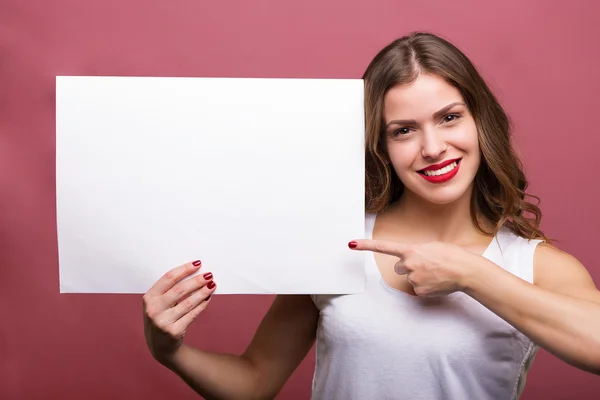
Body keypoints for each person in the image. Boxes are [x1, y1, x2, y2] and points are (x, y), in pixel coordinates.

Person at [142, 32, 600, 399]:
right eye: (404, 130)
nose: (433, 147)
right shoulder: (337, 243)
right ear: (381, 146)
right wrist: (170, 352)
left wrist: (471, 273)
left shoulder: (535, 266)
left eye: (448, 117)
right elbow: (254, 381)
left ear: (480, 121)